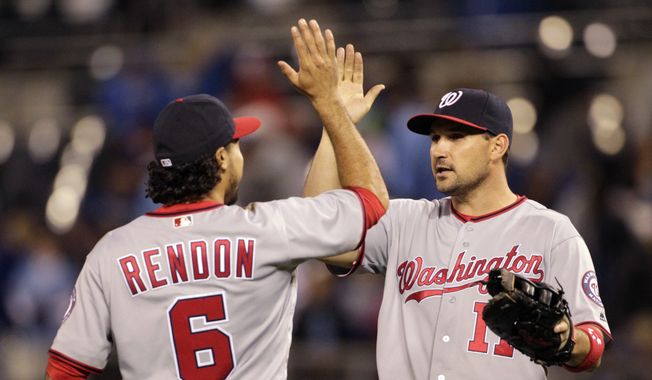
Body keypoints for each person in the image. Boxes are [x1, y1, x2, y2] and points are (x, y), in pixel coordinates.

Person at [45, 18, 389, 380]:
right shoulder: (268, 230)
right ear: (222, 158)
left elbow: (65, 369)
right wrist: (334, 113)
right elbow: (371, 203)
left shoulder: (111, 252)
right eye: (236, 144)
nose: (241, 153)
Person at [305, 74, 612, 378]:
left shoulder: (551, 232)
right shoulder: (403, 221)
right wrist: (334, 121)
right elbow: (317, 232)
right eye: (435, 138)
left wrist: (566, 340)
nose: (439, 150)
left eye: (455, 136)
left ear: (497, 146)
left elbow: (594, 343)